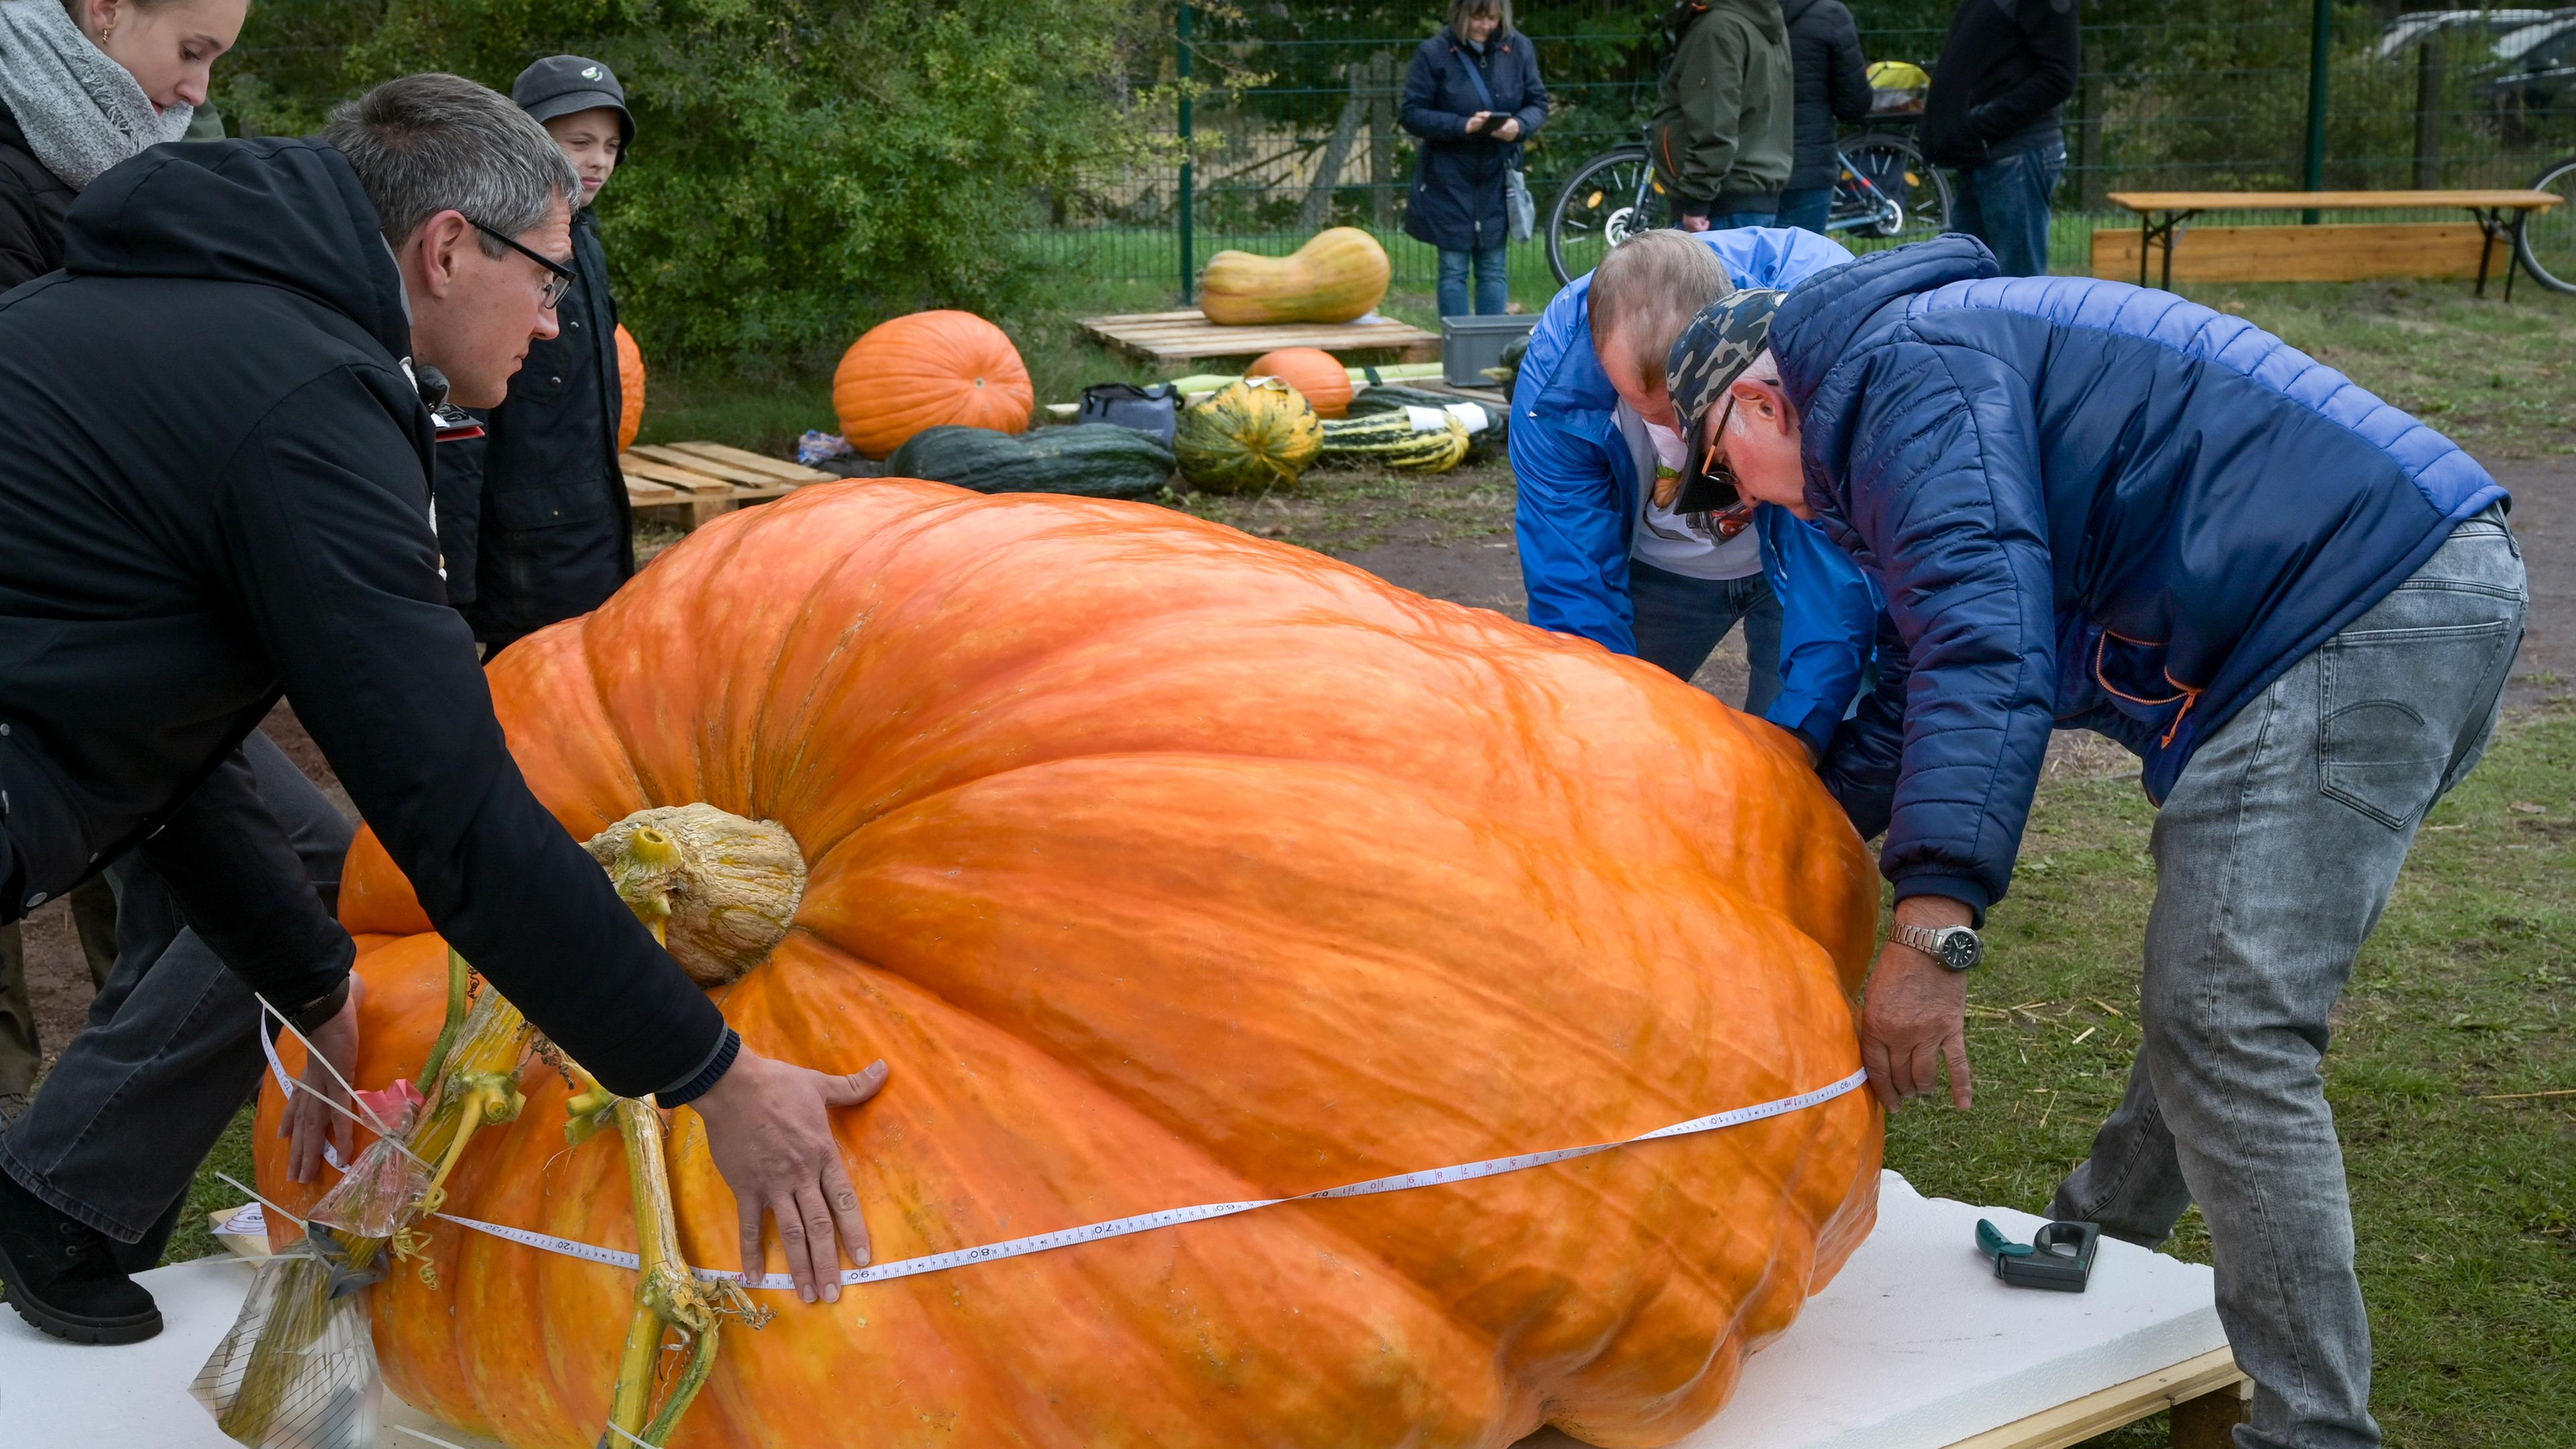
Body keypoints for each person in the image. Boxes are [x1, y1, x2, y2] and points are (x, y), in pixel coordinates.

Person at [0, 73, 886, 1346]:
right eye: (549, 278)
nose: (552, 324)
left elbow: (153, 754)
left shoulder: (173, 318)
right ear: (448, 248)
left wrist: (311, 980)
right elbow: (452, 815)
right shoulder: (305, 401)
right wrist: (714, 1076)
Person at [1667, 233, 2524, 1449]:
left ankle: (2311, 1434)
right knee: (2218, 997)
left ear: (1757, 399)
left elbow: (1985, 649)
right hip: (2397, 592)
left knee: (2230, 1024)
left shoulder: (1898, 376)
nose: (1738, 503)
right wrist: (1773, 808)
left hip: (2355, 609)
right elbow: (1928, 677)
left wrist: (1934, 926)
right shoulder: (1905, 391)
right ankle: (2095, 1244)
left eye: (1722, 473)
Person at [0, 0, 250, 1122]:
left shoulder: (133, 171)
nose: (199, 92)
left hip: (114, 613)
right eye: (191, 52)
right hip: (48, 610)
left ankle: (98, 1119)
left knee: (149, 871)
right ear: (103, 13)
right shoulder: (22, 173)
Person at [1509, 227, 1876, 757]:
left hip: (1799, 562)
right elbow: (1571, 566)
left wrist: (1804, 732)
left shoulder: (1817, 328)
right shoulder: (1555, 386)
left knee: (1810, 756)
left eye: (1690, 413)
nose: (1678, 437)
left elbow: (1834, 544)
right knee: (1599, 737)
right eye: (1649, 413)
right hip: (1657, 574)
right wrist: (1600, 707)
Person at [439, 54, 640, 653]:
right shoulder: (490, 252)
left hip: (594, 534)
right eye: (578, 141)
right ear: (525, 139)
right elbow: (457, 432)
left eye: (609, 144)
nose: (598, 160)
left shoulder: (587, 245)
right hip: (522, 561)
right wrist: (454, 587)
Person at [1400, 0, 1546, 319]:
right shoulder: (1433, 53)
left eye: (1492, 18)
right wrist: (1462, 126)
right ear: (1460, 15)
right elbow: (1412, 114)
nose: (1484, 26)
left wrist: (1518, 126)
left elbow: (1538, 103)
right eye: (1477, 18)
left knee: (1493, 268)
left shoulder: (1519, 48)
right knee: (1453, 270)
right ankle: (1457, 350)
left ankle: (1490, 353)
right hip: (1448, 177)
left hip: (1498, 174)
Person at [1919, 0, 2077, 276]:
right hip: (1980, 155)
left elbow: (2059, 77)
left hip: (2015, 156)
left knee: (2018, 289)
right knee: (1967, 281)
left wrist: (1981, 122)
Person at [1648, 0, 1791, 232]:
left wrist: (1697, 202)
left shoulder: (1718, 27)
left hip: (1720, 203)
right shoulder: (1759, 20)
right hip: (1749, 191)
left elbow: (1714, 125)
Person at [1774, 0, 1871, 235]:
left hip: (1746, 170)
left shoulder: (1734, 12)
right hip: (1809, 166)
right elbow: (1854, 105)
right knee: (1803, 265)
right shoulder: (1830, 15)